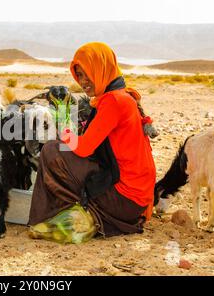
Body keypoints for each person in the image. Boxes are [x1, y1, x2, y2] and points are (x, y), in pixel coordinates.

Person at [28, 42, 156, 237]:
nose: (83, 81)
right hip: (137, 198)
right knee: (62, 150)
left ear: (102, 69)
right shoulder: (121, 95)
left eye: (88, 73)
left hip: (125, 198)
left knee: (52, 151)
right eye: (79, 75)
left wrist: (65, 133)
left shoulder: (113, 101)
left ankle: (47, 216)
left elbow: (85, 148)